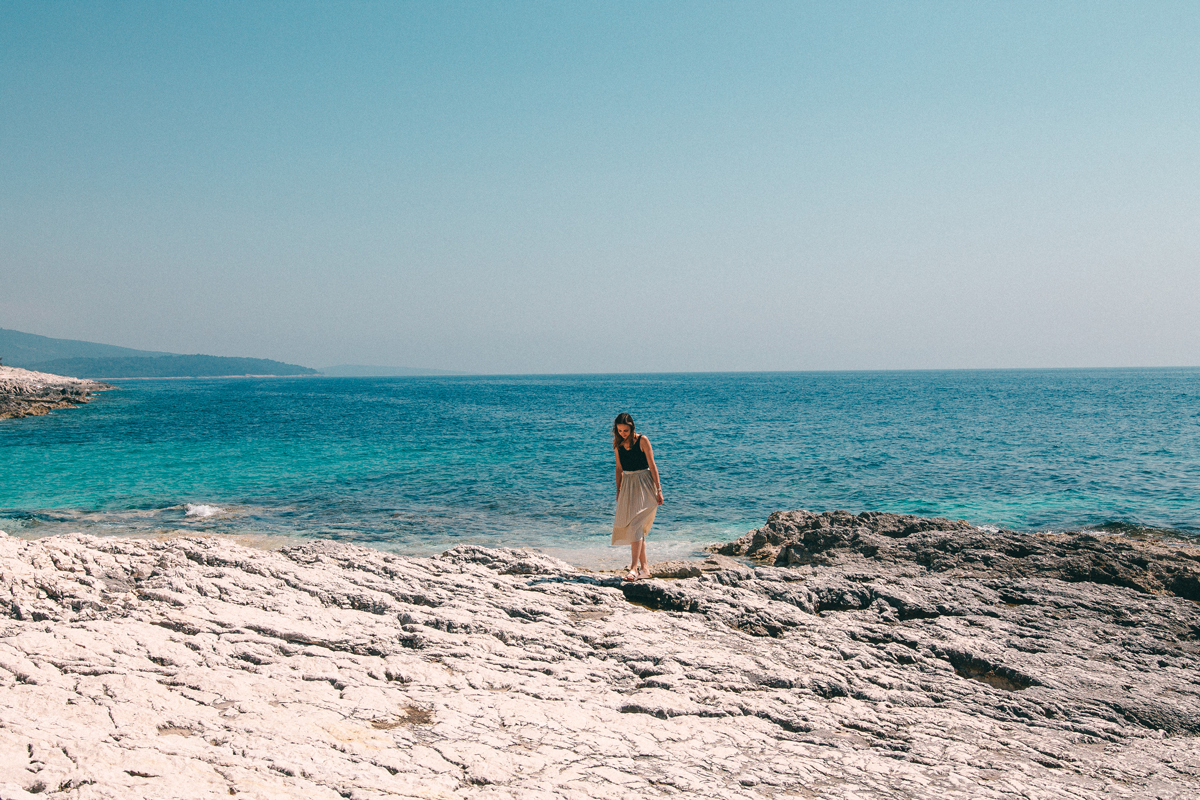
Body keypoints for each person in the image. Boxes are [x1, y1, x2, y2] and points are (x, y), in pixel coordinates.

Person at [611, 412, 664, 580]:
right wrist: (618, 490)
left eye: (625, 430)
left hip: (645, 484)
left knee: (635, 525)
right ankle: (645, 569)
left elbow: (652, 465)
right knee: (636, 528)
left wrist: (659, 489)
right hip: (628, 485)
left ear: (632, 427)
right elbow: (619, 469)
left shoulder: (643, 440)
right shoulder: (617, 445)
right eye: (619, 430)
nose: (622, 433)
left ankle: (633, 568)